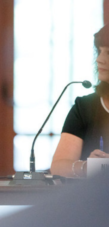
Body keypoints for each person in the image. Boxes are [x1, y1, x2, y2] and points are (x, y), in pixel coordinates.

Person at [51, 25, 109, 178]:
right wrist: (86, 167)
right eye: (99, 51)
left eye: (108, 53)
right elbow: (57, 166)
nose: (99, 59)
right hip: (94, 199)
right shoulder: (84, 107)